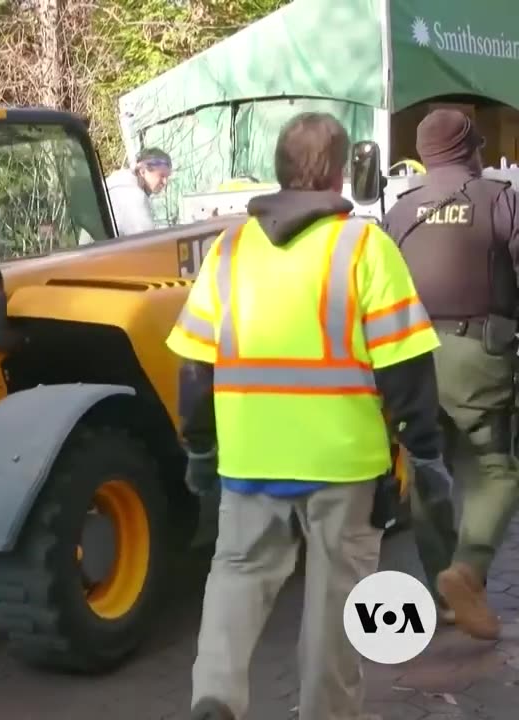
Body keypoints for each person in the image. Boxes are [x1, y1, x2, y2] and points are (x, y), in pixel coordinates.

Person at [166, 112, 449, 720]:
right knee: (336, 605)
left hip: (248, 463)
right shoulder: (363, 247)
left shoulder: (231, 248)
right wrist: (424, 452)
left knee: (236, 580)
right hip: (345, 467)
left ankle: (215, 698)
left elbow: (194, 368)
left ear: (279, 169)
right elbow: (405, 372)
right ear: (344, 172)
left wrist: (201, 450)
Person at [382, 107, 519, 642]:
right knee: (495, 469)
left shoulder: (399, 212)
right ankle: (468, 570)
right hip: (480, 354)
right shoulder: (499, 200)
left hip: (411, 358)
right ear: (470, 150)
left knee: (426, 468)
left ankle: (442, 595)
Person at [105, 147, 172, 235]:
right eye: (161, 176)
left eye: (167, 177)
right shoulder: (133, 196)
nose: (165, 182)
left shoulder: (119, 179)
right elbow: (148, 242)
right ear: (142, 172)